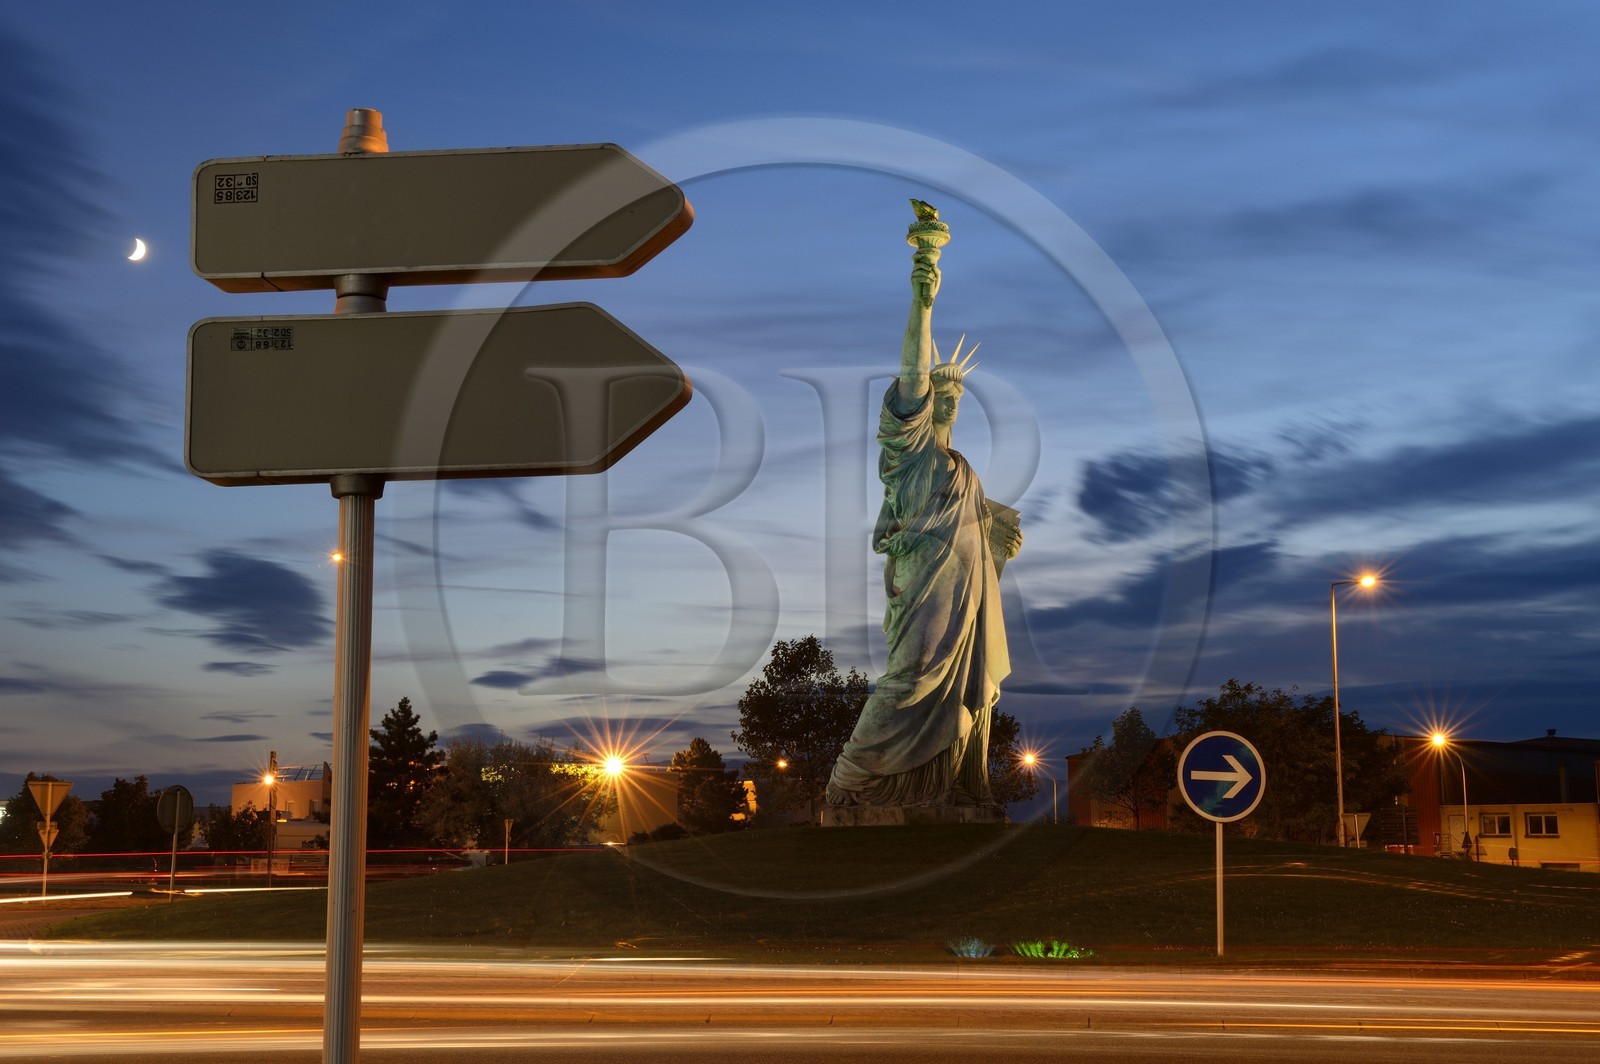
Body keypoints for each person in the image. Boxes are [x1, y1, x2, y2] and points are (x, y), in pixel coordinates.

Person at [825, 224, 1021, 810]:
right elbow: (913, 374)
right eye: (942, 396)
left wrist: (999, 542)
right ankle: (851, 778)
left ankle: (945, 789)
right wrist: (923, 298)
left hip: (964, 600)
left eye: (956, 397)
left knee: (958, 696)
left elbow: (988, 546)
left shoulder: (962, 469)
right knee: (909, 685)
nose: (950, 400)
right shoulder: (907, 457)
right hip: (925, 596)